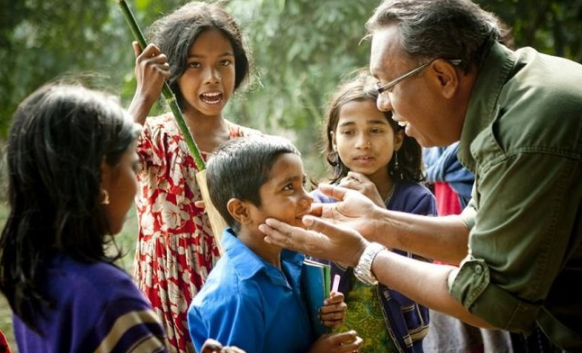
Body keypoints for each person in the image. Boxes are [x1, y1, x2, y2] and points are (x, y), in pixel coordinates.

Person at [258, 0, 582, 351]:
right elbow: (471, 234)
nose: (382, 104)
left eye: (386, 85)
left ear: (443, 76)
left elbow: (496, 302)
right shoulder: (518, 93)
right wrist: (376, 221)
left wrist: (365, 256)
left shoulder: (526, 133)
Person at [0, 83, 248, 353]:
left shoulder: (36, 278)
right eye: (134, 166)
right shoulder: (109, 300)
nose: (137, 183)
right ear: (103, 175)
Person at [128, 2, 261, 352]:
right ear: (171, 72)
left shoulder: (255, 148)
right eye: (194, 65)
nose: (212, 78)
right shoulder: (153, 136)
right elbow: (104, 167)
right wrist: (143, 96)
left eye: (224, 63)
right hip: (165, 299)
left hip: (234, 302)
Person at [187, 136, 364, 353]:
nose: (308, 198)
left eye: (303, 183)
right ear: (242, 210)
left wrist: (322, 315)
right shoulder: (237, 297)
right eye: (289, 187)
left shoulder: (289, 258)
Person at [314, 72, 435, 353]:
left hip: (398, 340)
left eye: (376, 130)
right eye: (349, 131)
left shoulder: (416, 201)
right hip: (337, 341)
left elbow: (409, 294)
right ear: (333, 140)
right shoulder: (319, 203)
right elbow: (317, 286)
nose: (362, 143)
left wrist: (380, 216)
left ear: (398, 138)